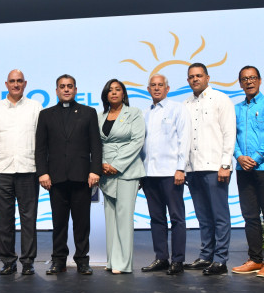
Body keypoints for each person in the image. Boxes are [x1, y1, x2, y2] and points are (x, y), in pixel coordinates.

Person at [35, 74, 103, 275]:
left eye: (70, 86)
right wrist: (43, 173)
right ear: (56, 90)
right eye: (62, 86)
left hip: (82, 177)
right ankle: (58, 260)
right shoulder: (46, 115)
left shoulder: (88, 113)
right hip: (55, 178)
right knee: (59, 222)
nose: (66, 89)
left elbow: (95, 145)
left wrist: (94, 170)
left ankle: (82, 260)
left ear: (75, 89)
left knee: (82, 222)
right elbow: (40, 147)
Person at [0, 70, 42, 276]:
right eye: (12, 81)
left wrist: (42, 170)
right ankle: (8, 261)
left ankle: (28, 262)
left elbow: (42, 142)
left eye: (19, 81)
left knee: (29, 219)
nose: (16, 84)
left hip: (29, 170)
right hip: (1, 172)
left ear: (25, 84)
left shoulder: (35, 107)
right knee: (4, 220)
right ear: (6, 84)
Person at [230, 66, 264, 278]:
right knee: (250, 216)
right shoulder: (236, 109)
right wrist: (239, 156)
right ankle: (255, 259)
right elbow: (230, 136)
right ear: (240, 83)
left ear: (260, 80)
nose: (249, 82)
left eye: (252, 78)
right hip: (243, 169)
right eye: (244, 79)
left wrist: (257, 158)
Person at [183, 63, 236, 276]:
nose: (195, 79)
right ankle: (206, 256)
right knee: (203, 216)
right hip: (194, 168)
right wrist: (185, 168)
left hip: (215, 167)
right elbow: (184, 139)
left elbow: (229, 133)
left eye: (198, 75)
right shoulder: (185, 104)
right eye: (191, 77)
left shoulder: (221, 99)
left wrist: (225, 164)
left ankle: (220, 259)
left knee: (220, 215)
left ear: (207, 77)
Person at [140, 74, 191, 276]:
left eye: (160, 85)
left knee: (177, 218)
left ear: (167, 88)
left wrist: (181, 168)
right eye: (153, 85)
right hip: (149, 174)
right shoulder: (144, 113)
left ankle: (177, 260)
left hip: (171, 172)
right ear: (148, 89)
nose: (157, 88)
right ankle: (161, 258)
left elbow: (184, 140)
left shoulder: (177, 109)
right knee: (156, 218)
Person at [97, 79, 145, 274]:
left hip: (127, 171)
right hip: (105, 171)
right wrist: (101, 165)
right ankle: (112, 261)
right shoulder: (100, 116)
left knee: (124, 217)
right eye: (110, 90)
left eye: (118, 90)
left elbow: (137, 141)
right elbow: (95, 143)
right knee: (110, 218)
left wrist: (116, 165)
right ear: (105, 95)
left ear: (124, 94)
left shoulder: (134, 113)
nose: (114, 93)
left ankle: (123, 263)